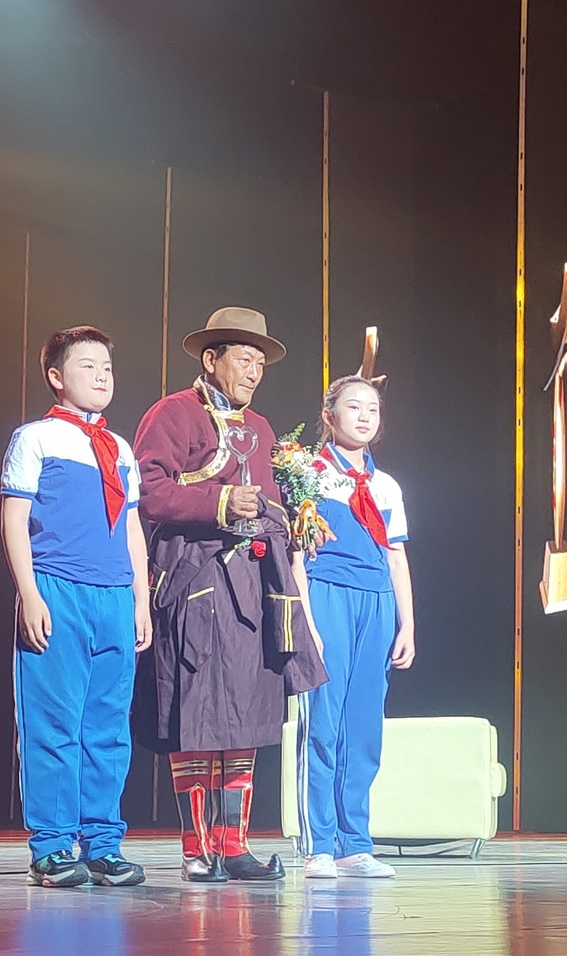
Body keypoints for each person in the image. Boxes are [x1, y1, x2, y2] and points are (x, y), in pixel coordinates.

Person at [132, 306, 328, 883]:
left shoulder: (261, 429)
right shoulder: (174, 413)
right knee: (198, 713)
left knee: (246, 711)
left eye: (260, 362)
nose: (253, 371)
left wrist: (291, 521)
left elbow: (268, 502)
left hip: (251, 586)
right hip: (194, 580)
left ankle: (234, 845)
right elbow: (148, 490)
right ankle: (197, 850)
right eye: (243, 359)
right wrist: (219, 502)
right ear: (211, 358)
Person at [0, 326, 151, 889]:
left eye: (107, 366)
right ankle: (53, 846)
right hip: (58, 589)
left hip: (114, 596)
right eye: (87, 365)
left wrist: (141, 598)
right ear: (56, 377)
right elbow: (14, 520)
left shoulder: (121, 448)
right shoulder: (35, 438)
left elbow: (132, 528)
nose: (102, 375)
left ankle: (104, 844)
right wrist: (29, 593)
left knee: (108, 728)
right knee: (54, 722)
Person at [296, 376, 414, 880]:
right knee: (323, 724)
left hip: (377, 603)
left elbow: (396, 556)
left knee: (363, 728)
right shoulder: (307, 473)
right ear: (329, 416)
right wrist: (306, 620)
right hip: (327, 595)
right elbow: (296, 554)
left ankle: (354, 843)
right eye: (353, 406)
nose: (365, 416)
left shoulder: (386, 486)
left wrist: (407, 624)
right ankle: (319, 844)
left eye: (373, 408)